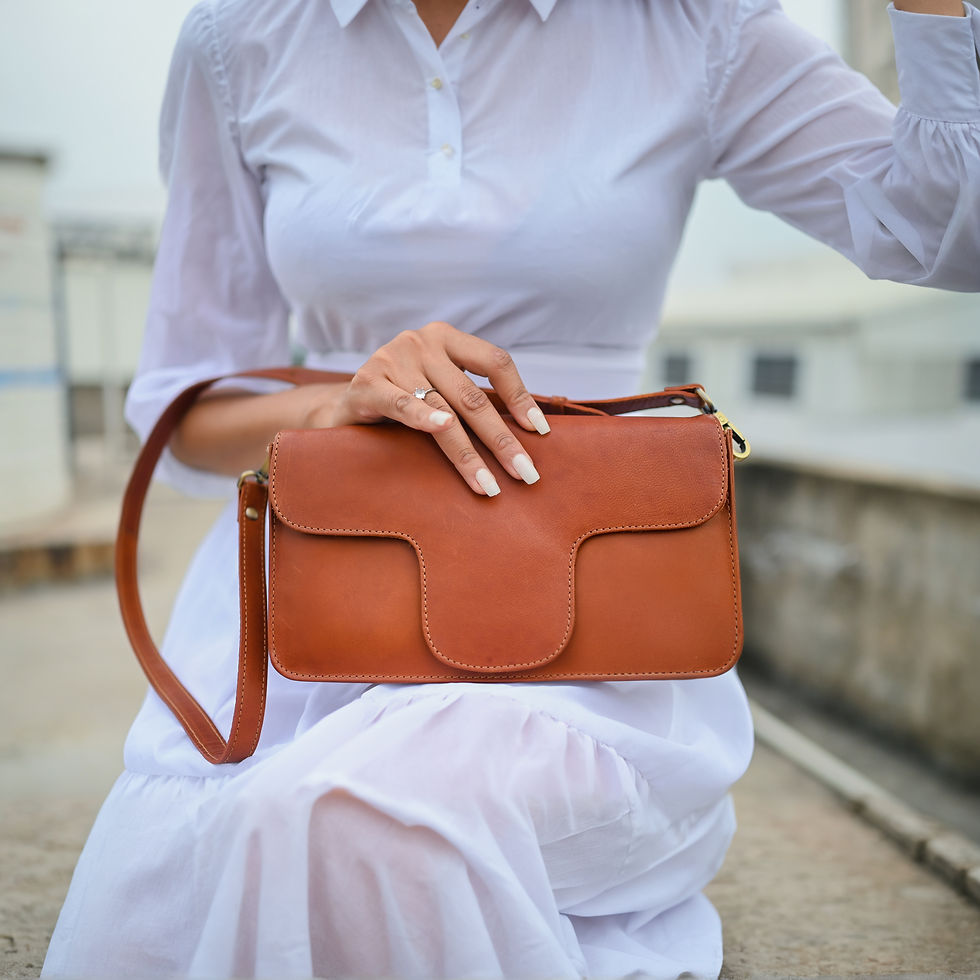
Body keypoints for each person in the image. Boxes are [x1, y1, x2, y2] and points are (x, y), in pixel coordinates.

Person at [43, 1, 980, 977]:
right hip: (306, 630)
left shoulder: (687, 23)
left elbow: (950, 227)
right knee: (171, 902)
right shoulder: (239, 37)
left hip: (599, 638)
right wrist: (332, 404)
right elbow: (182, 406)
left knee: (351, 821)